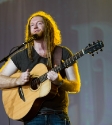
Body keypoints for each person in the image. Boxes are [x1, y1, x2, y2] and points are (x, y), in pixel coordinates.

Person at [0, 11, 81, 125]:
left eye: (39, 23)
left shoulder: (63, 53)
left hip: (58, 116)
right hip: (33, 117)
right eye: (32, 25)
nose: (35, 27)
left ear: (48, 28)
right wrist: (17, 80)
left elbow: (76, 86)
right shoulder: (21, 56)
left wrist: (60, 81)